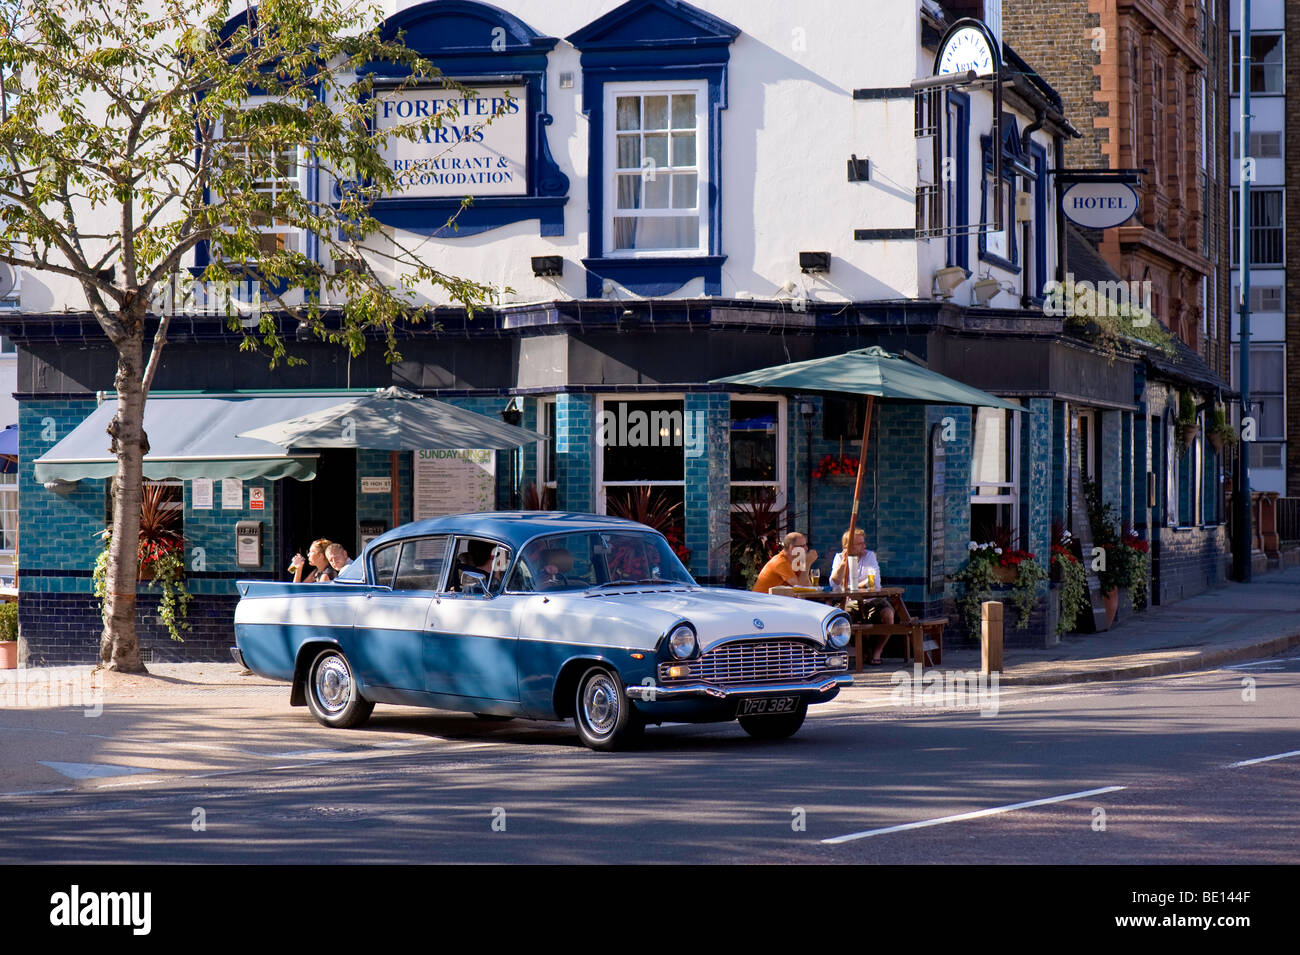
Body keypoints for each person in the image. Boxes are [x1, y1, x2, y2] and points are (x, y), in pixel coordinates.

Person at [831, 527, 894, 665]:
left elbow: (875, 581)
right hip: (850, 601)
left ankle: (877, 652)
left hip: (872, 600)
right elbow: (834, 584)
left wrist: (853, 586)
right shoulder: (839, 558)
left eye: (863, 542)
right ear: (848, 546)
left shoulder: (869, 556)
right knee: (843, 619)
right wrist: (843, 564)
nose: (864, 546)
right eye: (860, 544)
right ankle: (863, 651)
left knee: (888, 614)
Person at [752, 532, 819, 594]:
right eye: (802, 546)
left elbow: (806, 585)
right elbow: (800, 587)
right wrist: (807, 563)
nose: (806, 548)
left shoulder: (796, 560)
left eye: (806, 545)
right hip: (764, 602)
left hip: (780, 600)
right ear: (792, 548)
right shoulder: (780, 562)